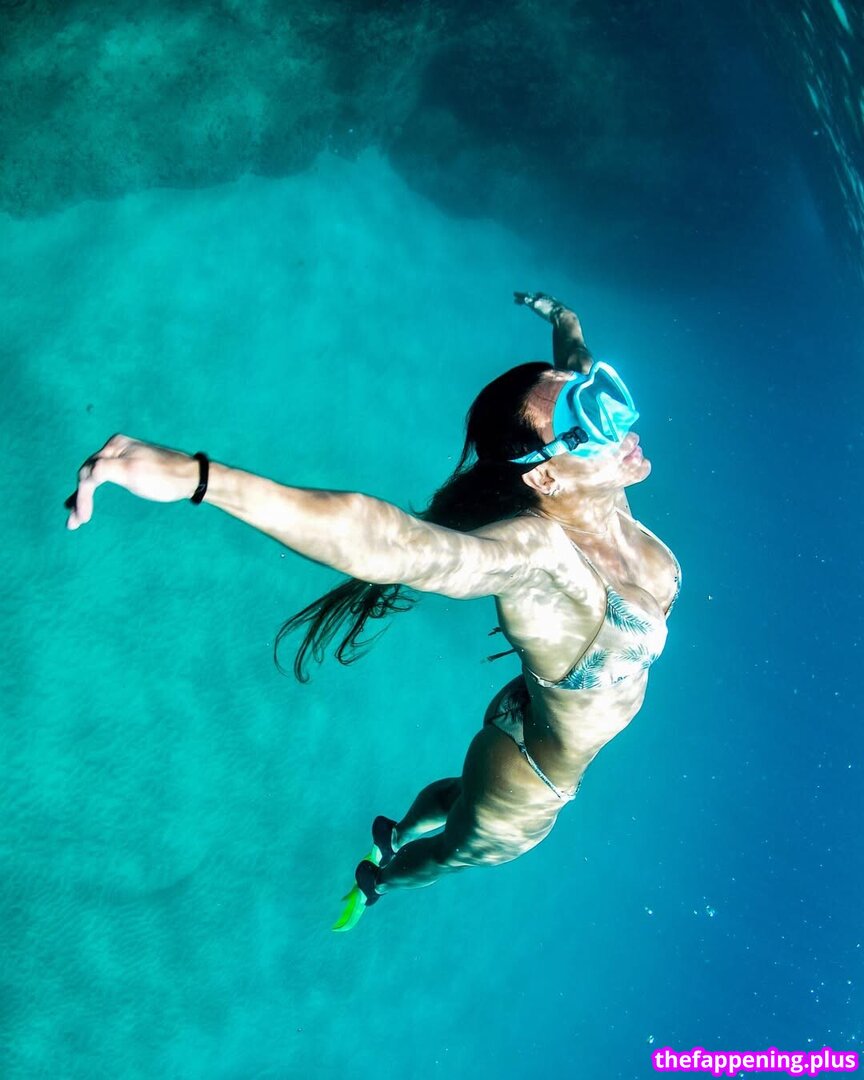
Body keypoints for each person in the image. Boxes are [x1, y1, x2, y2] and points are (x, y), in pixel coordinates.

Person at [65, 294, 681, 931]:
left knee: (457, 798)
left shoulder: (601, 492)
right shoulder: (541, 554)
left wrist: (563, 319)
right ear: (545, 479)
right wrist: (197, 477)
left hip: (530, 714)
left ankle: (394, 831)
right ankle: (378, 880)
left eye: (600, 395)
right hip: (530, 775)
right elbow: (395, 543)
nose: (619, 417)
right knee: (450, 855)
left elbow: (577, 361)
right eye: (592, 416)